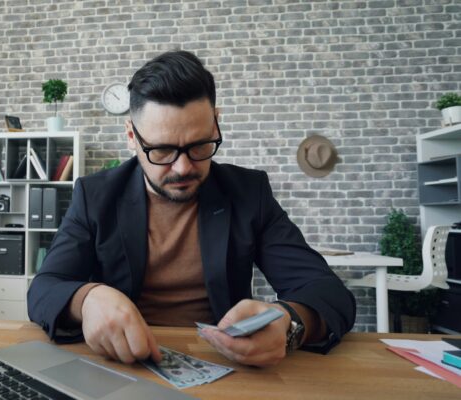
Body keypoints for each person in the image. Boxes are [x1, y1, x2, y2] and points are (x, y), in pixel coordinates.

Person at [27, 50, 356, 367]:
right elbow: (44, 289)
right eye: (162, 150)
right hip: (119, 366)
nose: (183, 168)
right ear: (131, 136)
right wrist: (87, 299)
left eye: (200, 145)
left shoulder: (247, 193)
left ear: (215, 123)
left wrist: (290, 324)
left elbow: (326, 291)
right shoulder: (95, 195)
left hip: (224, 369)